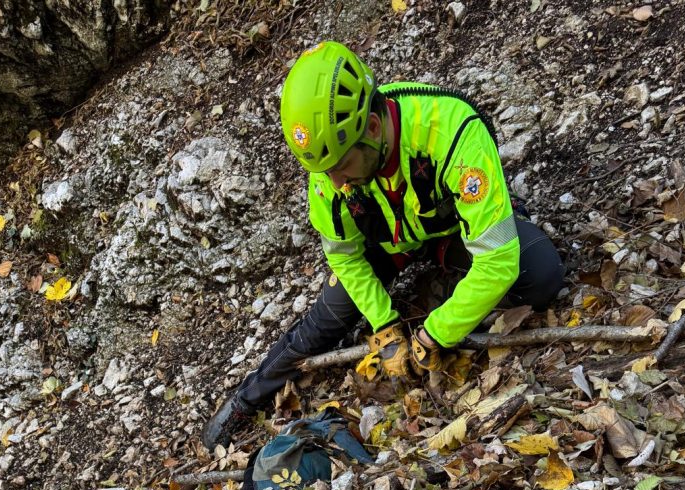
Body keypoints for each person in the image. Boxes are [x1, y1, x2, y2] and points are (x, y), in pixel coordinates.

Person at [202, 40, 564, 451]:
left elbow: (498, 258)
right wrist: (384, 324)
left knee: (543, 275)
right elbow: (344, 257)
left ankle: (443, 278)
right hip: (390, 244)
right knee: (326, 319)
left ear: (372, 128)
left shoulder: (451, 130)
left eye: (340, 167)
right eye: (323, 171)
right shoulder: (329, 162)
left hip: (453, 230)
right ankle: (243, 401)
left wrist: (436, 334)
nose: (333, 183)